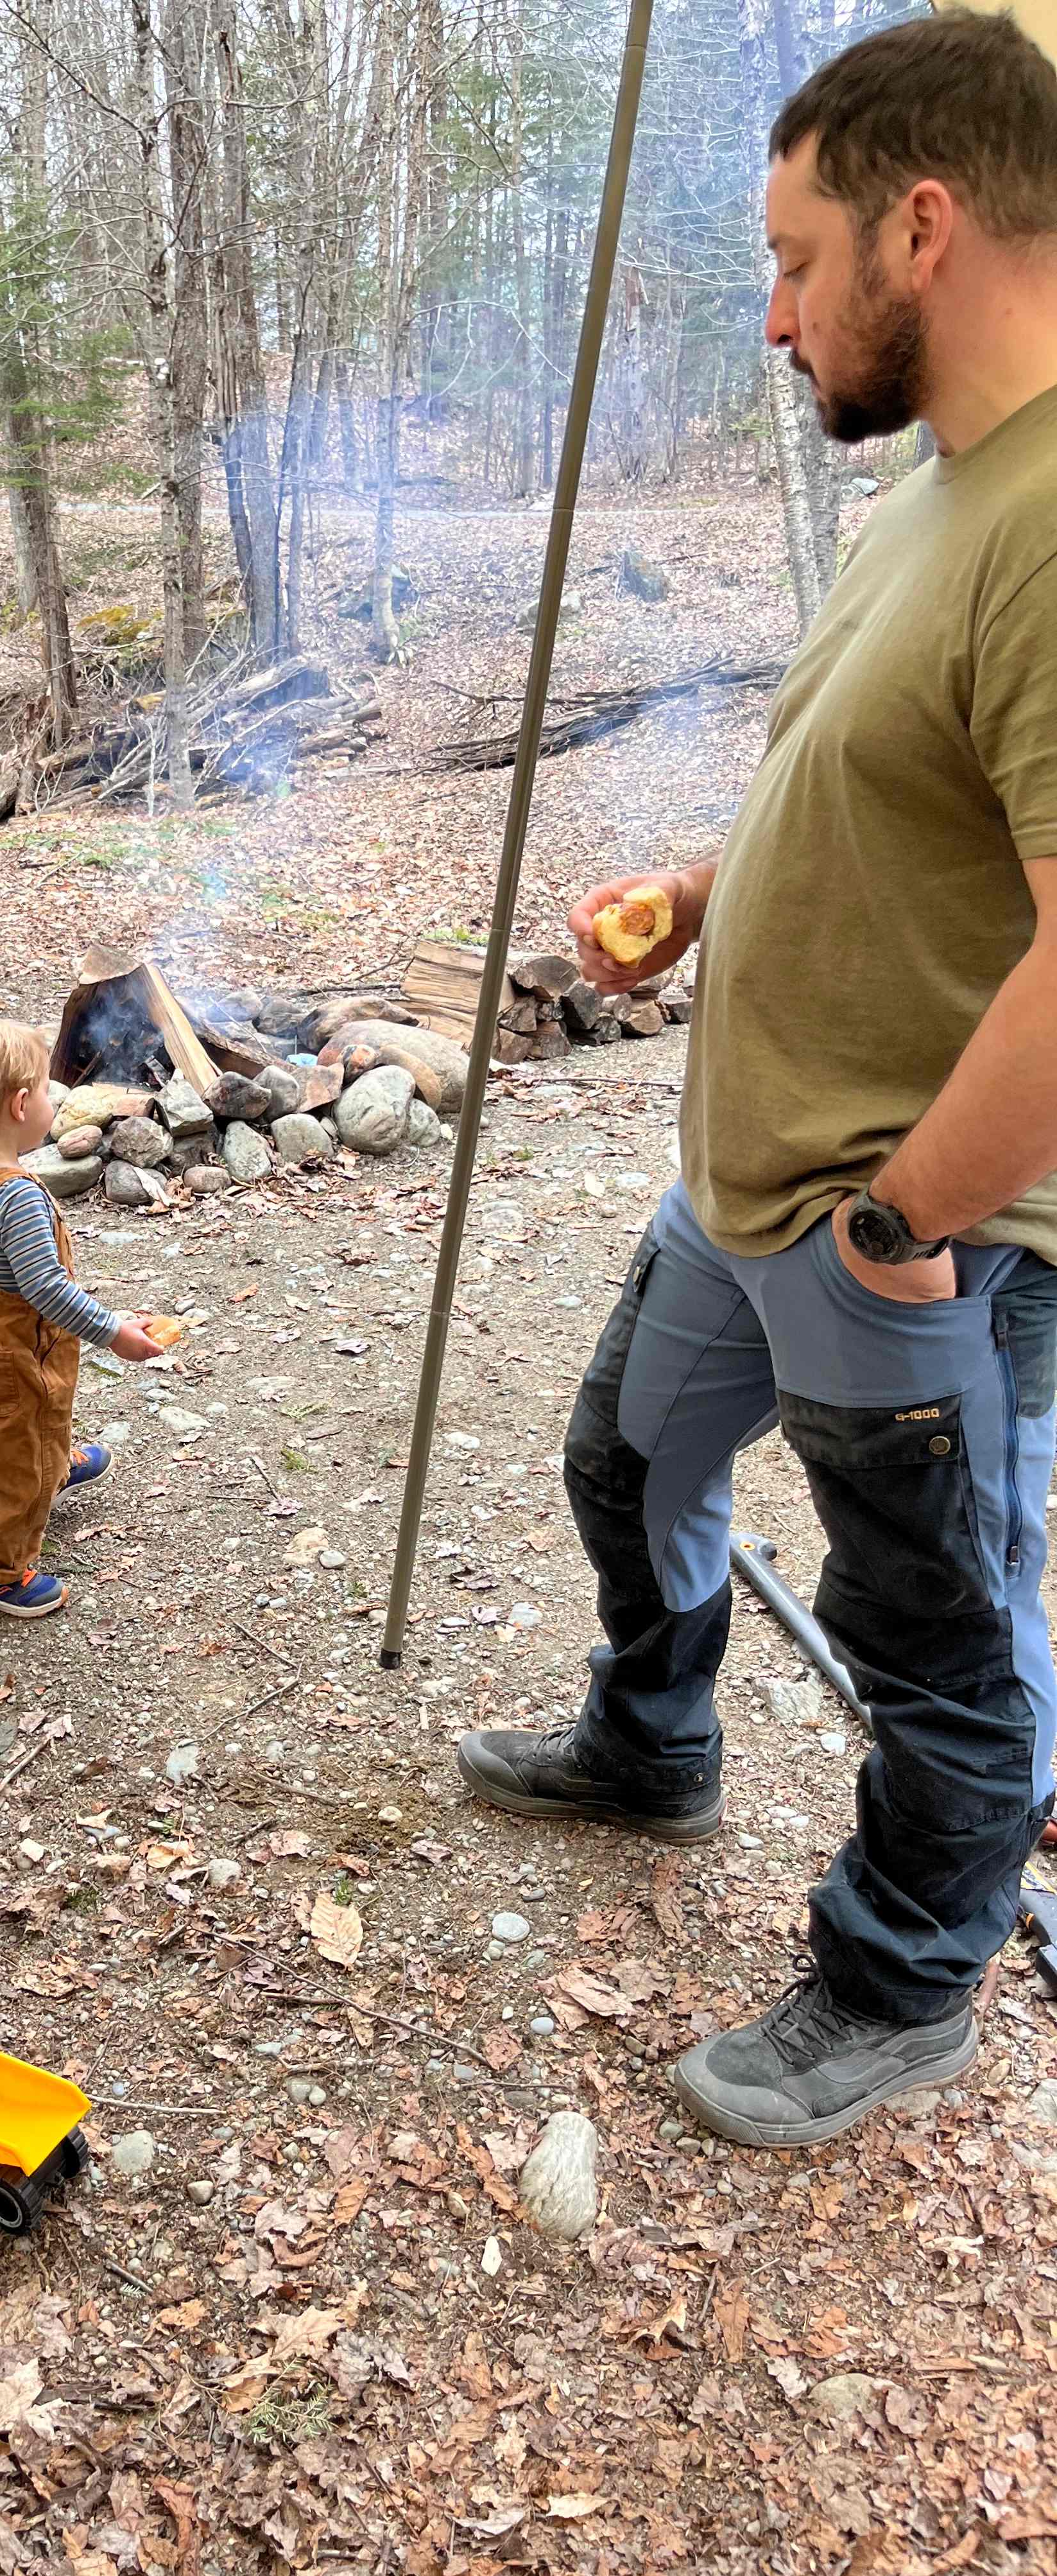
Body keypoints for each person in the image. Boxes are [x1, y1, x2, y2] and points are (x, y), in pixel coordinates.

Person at [458, 10, 1057, 2148]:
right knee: (624, 1462)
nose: (780, 316)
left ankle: (902, 1985)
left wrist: (904, 1228)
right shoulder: (937, 492)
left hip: (914, 1230)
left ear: (924, 226)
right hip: (751, 1180)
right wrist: (709, 891)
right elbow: (906, 792)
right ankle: (655, 1744)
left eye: (798, 261)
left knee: (936, 1642)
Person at [0, 1016, 162, 1618]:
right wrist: (115, 1333)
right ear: (20, 1105)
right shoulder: (16, 1194)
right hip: (14, 1360)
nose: (55, 1101)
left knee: (35, 1422)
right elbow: (46, 1287)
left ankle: (51, 1467)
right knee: (12, 1467)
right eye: (49, 1091)